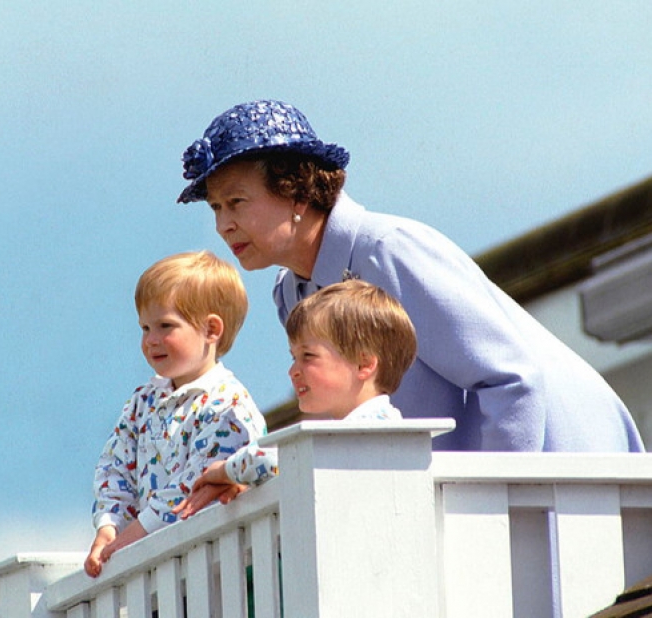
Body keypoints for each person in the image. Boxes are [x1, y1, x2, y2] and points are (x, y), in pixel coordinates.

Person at [177, 99, 644, 452]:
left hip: (571, 479)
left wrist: (486, 513)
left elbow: (511, 379)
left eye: (236, 202)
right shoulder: (291, 291)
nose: (223, 225)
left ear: (296, 190)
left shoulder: (388, 249)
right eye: (216, 207)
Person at [83, 250, 267, 577]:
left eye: (165, 326)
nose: (151, 340)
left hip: (217, 567)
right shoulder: (144, 400)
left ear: (212, 330)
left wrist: (132, 537)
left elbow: (195, 484)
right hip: (157, 570)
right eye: (144, 328)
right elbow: (115, 464)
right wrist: (109, 527)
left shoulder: (228, 405)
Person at [175, 278, 417, 518]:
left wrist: (224, 471)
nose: (293, 371)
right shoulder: (357, 430)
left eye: (308, 356)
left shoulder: (371, 428)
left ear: (364, 364)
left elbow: (277, 458)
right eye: (294, 358)